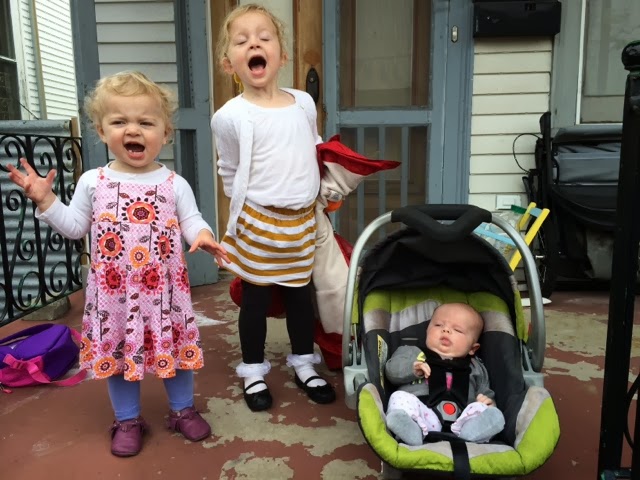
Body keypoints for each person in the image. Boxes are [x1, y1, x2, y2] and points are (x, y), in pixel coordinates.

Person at [6, 71, 229, 457]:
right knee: (121, 355)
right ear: (101, 130)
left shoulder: (174, 183)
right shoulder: (93, 181)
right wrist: (46, 200)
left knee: (176, 352)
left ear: (165, 132)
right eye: (120, 121)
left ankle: (182, 409)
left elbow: (191, 219)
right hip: (114, 296)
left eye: (146, 122)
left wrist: (204, 235)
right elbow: (74, 227)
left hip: (164, 294)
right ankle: (127, 419)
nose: (134, 130)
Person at [210, 3, 336, 412]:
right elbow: (229, 168)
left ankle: (304, 363)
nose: (254, 44)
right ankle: (252, 370)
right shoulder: (230, 116)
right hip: (259, 221)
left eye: (264, 37)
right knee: (256, 299)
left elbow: (314, 148)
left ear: (282, 55)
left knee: (300, 296)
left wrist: (325, 189)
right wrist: (241, 214)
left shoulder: (302, 103)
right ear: (229, 63)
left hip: (302, 221)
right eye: (242, 41)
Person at [385, 303, 505, 446]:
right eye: (438, 325)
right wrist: (412, 368)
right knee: (399, 398)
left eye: (457, 330)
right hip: (422, 414)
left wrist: (489, 403)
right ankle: (412, 432)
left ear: (473, 348)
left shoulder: (476, 367)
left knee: (488, 412)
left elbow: (485, 392)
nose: (446, 330)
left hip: (463, 420)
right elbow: (391, 371)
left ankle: (469, 435)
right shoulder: (412, 352)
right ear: (427, 331)